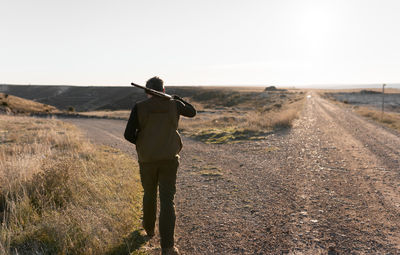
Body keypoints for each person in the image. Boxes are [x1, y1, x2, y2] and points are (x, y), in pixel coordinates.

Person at [124, 77, 196, 255]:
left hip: (147, 159)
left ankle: (148, 230)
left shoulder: (139, 107)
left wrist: (142, 143)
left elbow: (128, 135)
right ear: (163, 90)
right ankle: (168, 248)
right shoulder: (174, 105)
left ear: (147, 91)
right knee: (167, 201)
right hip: (169, 159)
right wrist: (178, 99)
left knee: (149, 193)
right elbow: (193, 112)